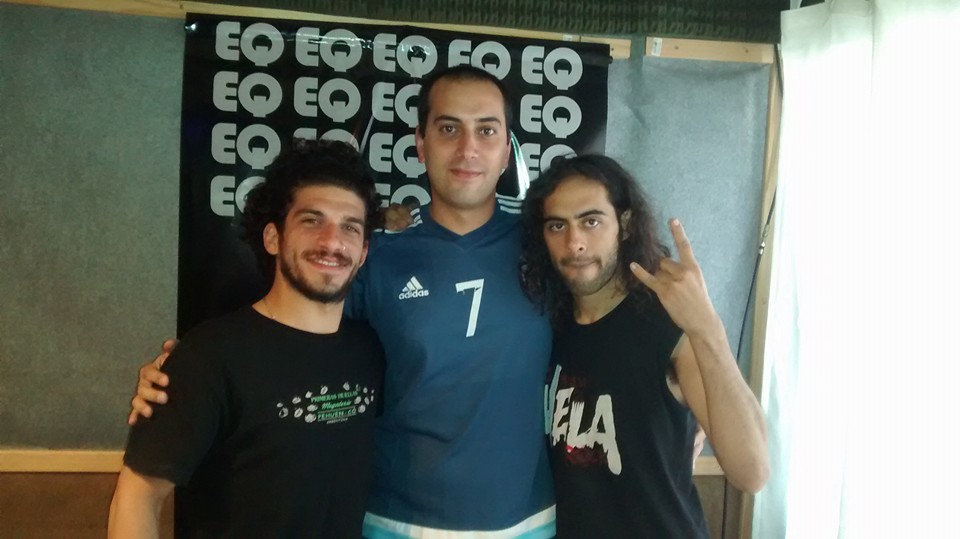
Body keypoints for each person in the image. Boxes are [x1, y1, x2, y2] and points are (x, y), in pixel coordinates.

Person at [128, 65, 557, 538]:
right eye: (449, 128)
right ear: (420, 143)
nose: (468, 148)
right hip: (394, 522)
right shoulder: (376, 253)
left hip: (528, 522)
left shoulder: (548, 245)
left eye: (487, 130)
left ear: (507, 150)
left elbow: (606, 320)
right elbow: (292, 338)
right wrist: (186, 374)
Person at [108, 139, 385, 538]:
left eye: (350, 227)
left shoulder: (369, 350)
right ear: (273, 238)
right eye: (312, 220)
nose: (331, 241)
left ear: (362, 252)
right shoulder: (207, 357)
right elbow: (137, 497)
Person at [519, 154, 769, 537]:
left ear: (625, 223)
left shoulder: (667, 325)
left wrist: (707, 328)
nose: (575, 243)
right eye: (557, 225)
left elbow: (752, 473)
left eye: (591, 221)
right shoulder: (547, 326)